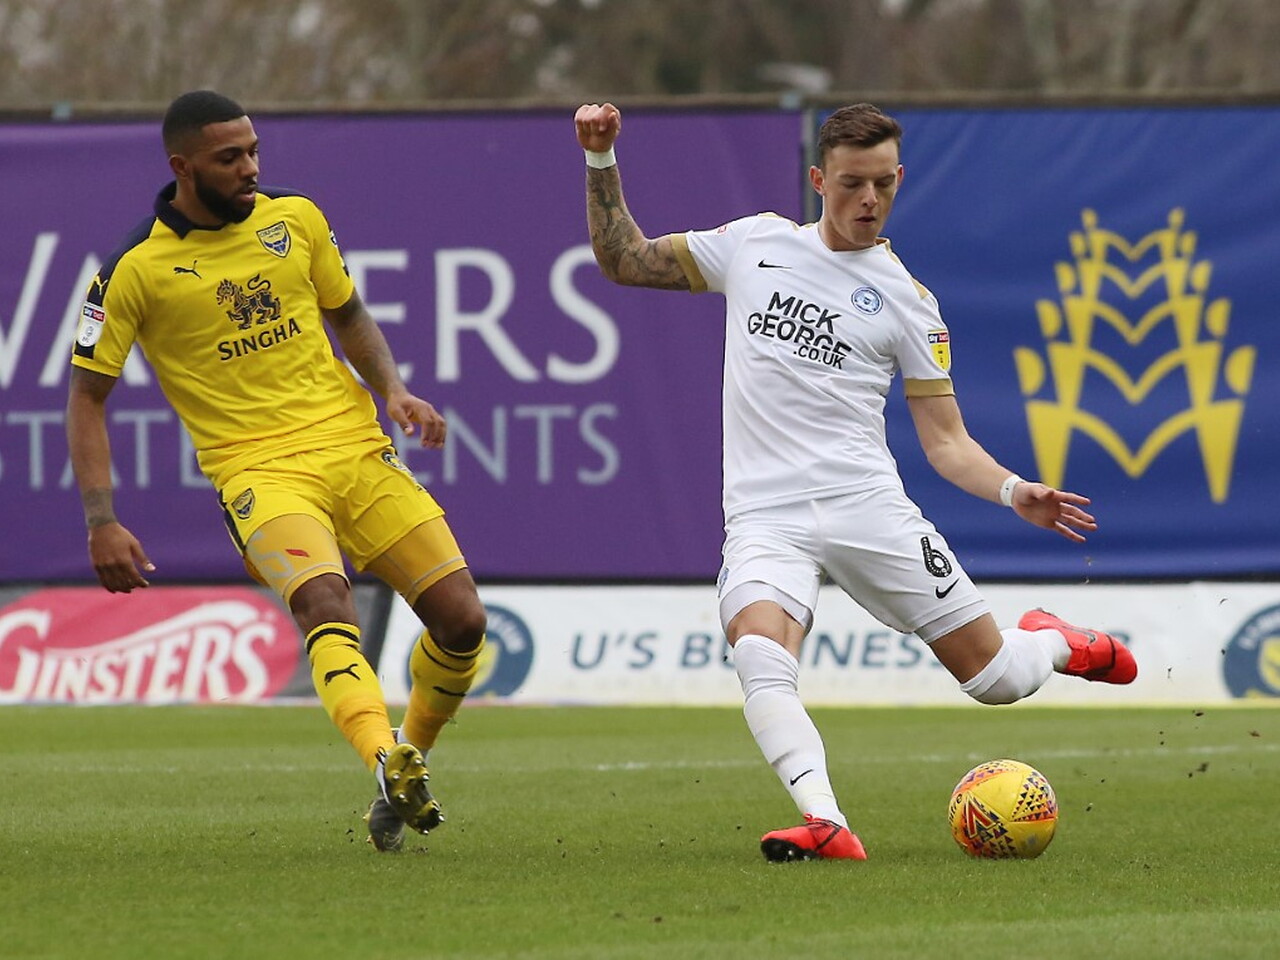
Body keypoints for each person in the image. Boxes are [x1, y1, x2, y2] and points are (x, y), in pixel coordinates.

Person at [573, 101, 1137, 863]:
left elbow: (946, 442)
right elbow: (625, 260)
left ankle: (1053, 642)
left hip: (866, 508)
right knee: (758, 649)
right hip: (766, 516)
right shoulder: (754, 244)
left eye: (882, 184)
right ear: (819, 181)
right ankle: (825, 821)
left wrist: (1013, 491)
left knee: (995, 681)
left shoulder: (910, 302)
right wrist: (600, 157)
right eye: (850, 184)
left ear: (898, 178)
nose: (868, 200)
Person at [66, 90, 486, 853]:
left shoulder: (297, 218)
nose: (250, 168)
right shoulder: (133, 270)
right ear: (183, 167)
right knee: (327, 601)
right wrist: (102, 520)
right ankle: (382, 754)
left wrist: (393, 390)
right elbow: (86, 397)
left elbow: (348, 314)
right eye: (230, 158)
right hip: (258, 471)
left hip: (354, 449)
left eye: (254, 151)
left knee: (463, 622)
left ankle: (405, 764)